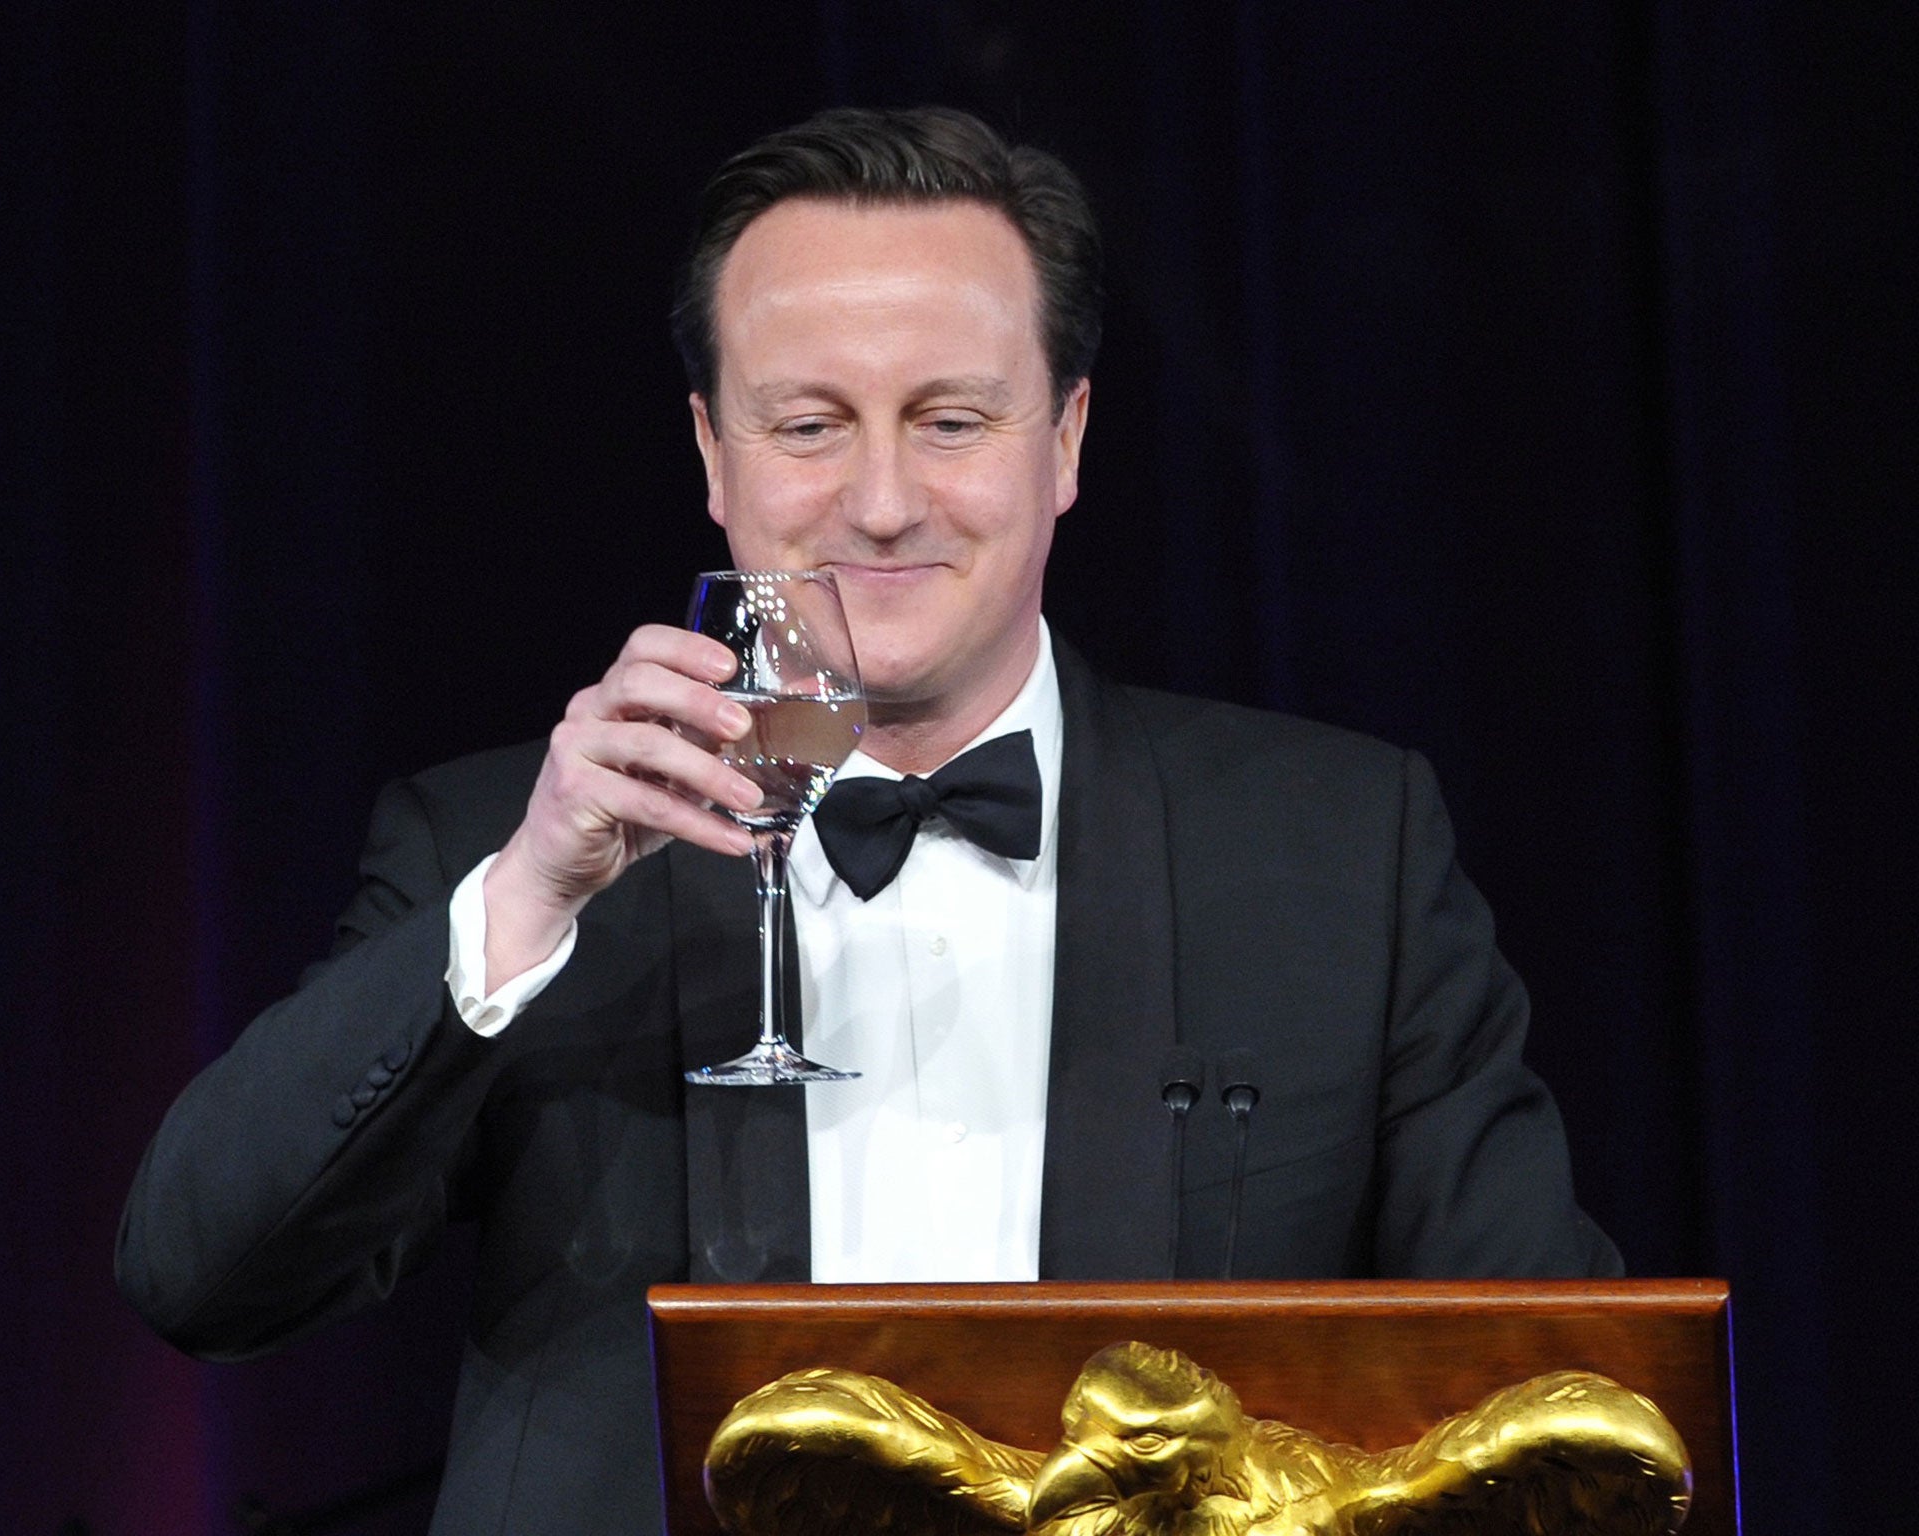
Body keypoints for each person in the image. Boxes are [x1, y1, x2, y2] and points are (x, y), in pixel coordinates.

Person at [118, 106, 1618, 1535]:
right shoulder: (512, 848)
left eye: (951, 419)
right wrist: (522, 903)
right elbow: (202, 1277)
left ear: (1068, 441)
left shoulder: (1338, 853)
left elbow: (1563, 1409)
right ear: (714, 454)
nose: (884, 501)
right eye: (811, 424)